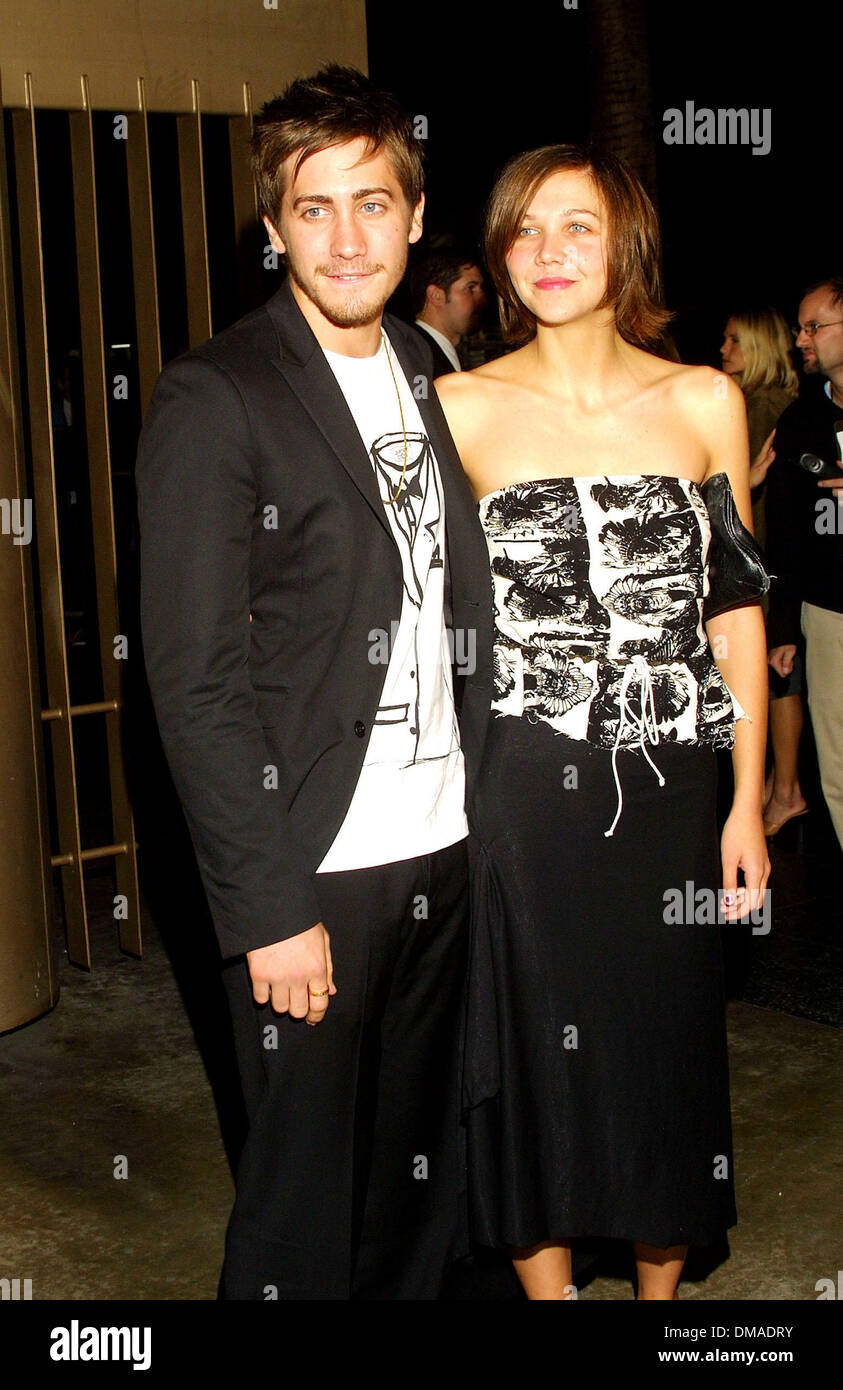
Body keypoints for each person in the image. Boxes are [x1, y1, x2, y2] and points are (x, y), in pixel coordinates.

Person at [135, 65, 492, 1300]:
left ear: (415, 213)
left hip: (447, 850)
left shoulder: (442, 380)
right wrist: (267, 906)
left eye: (375, 203)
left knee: (420, 1200)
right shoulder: (215, 395)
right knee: (300, 1216)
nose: (349, 236)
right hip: (316, 870)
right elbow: (194, 679)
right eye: (316, 206)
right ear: (275, 227)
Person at [436, 144, 770, 1301]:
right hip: (521, 782)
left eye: (576, 228)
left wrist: (747, 804)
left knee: (662, 1045)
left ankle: (663, 1302)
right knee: (531, 1047)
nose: (547, 253)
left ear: (622, 243)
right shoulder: (458, 409)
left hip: (675, 783)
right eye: (525, 231)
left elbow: (734, 616)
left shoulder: (704, 399)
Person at [766, 276, 843, 850]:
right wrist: (784, 625)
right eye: (800, 326)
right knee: (837, 761)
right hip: (829, 610)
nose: (800, 338)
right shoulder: (799, 422)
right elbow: (787, 535)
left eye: (814, 326)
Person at [719, 307, 798, 549]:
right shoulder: (757, 399)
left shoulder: (762, 405)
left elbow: (747, 487)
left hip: (756, 547)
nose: (723, 348)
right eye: (725, 339)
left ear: (760, 345)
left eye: (735, 340)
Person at [410, 247, 487, 375]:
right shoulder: (416, 356)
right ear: (436, 296)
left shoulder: (434, 350)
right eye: (470, 288)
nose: (482, 298)